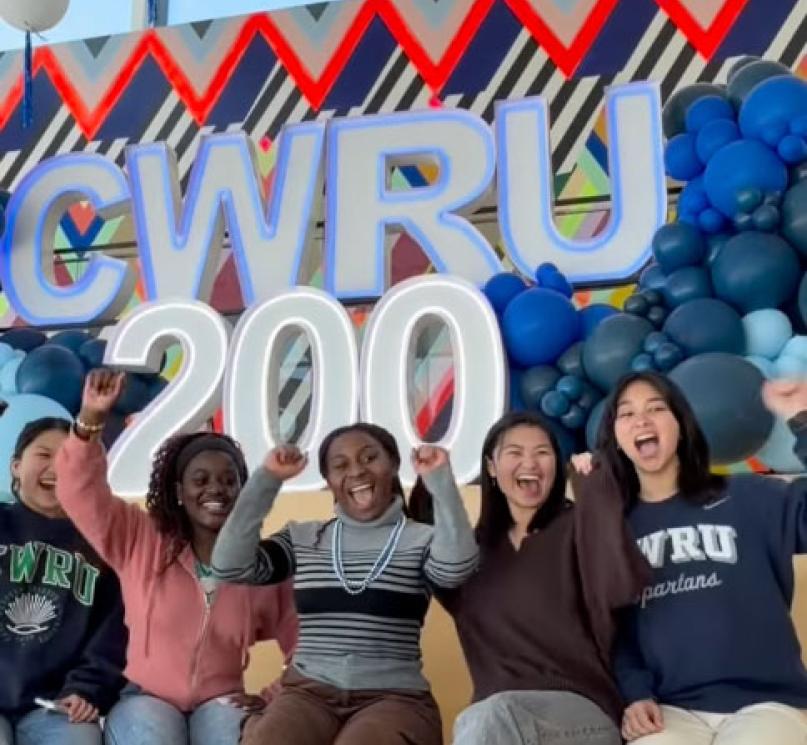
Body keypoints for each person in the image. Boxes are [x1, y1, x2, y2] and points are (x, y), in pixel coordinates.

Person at [54, 370, 298, 745]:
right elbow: (77, 491)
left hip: (222, 699)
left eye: (229, 480)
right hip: (145, 697)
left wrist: (273, 696)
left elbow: (308, 644)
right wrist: (91, 419)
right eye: (200, 480)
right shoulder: (140, 537)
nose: (216, 488)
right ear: (179, 491)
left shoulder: (262, 564)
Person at [211, 422, 479, 745]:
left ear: (393, 465)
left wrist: (439, 479)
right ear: (329, 481)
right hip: (308, 694)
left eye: (369, 458)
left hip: (393, 698)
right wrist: (267, 480)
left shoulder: (421, 539)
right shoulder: (304, 538)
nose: (357, 471)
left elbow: (457, 568)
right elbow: (229, 565)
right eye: (341, 466)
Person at [588, 372, 807, 744]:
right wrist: (635, 694)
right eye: (626, 414)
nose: (641, 419)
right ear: (617, 439)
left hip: (767, 703)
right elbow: (615, 629)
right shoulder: (611, 528)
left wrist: (801, 418)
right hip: (669, 711)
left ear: (681, 426)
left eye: (655, 408)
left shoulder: (749, 497)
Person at [408, 410, 650, 745]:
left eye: (542, 453)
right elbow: (429, 546)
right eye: (515, 453)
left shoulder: (575, 527)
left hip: (583, 713)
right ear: (491, 468)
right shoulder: (473, 554)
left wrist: (594, 492)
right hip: (497, 724)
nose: (530, 463)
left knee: (492, 716)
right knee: (488, 717)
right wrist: (439, 479)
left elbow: (621, 584)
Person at [0, 417, 127, 745]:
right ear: (16, 466)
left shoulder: (101, 542)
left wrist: (86, 686)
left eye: (67, 459)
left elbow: (113, 629)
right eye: (44, 455)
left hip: (55, 705)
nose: (55, 468)